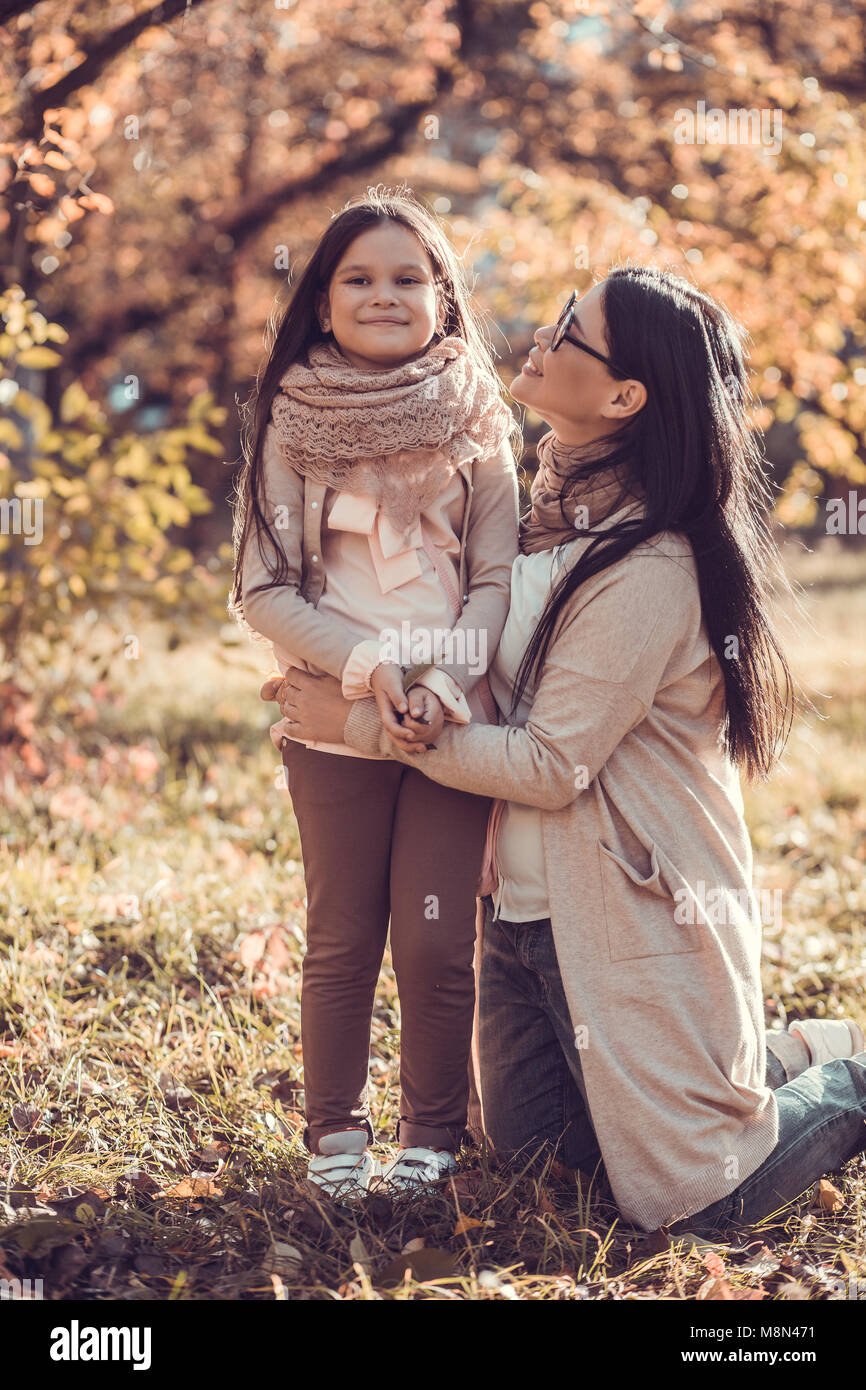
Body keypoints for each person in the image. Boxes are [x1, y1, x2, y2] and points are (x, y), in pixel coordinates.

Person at [271, 266, 866, 1236]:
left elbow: (549, 764)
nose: (540, 339)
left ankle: (838, 1076)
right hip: (516, 912)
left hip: (632, 913)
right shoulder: (538, 512)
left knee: (688, 1198)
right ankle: (739, 1063)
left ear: (625, 397)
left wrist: (360, 728)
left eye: (569, 333)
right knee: (541, 1160)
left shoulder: (651, 563)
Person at [228, 188, 519, 1197]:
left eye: (408, 277)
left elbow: (494, 579)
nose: (383, 294)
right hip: (333, 717)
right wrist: (367, 666)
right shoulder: (289, 418)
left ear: (442, 297)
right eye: (358, 278)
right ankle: (334, 1140)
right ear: (319, 301)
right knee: (342, 933)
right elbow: (258, 586)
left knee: (436, 936)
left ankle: (431, 1137)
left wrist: (440, 677)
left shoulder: (479, 419)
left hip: (449, 716)